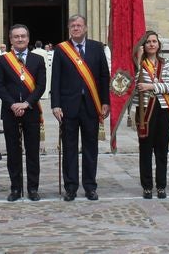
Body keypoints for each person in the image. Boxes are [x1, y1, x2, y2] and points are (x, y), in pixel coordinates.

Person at [51, 14, 110, 201]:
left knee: (90, 148)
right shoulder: (61, 50)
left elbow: (103, 77)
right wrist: (55, 105)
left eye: (79, 25)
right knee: (69, 148)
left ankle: (90, 186)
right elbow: (56, 79)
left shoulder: (96, 47)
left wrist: (105, 101)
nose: (76, 28)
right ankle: (70, 187)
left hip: (91, 105)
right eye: (73, 26)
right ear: (69, 28)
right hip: (68, 107)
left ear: (85, 28)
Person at [0, 23, 46, 201]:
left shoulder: (37, 60)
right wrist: (12, 105)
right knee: (13, 152)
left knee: (32, 152)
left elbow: (41, 86)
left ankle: (33, 188)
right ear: (10, 39)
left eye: (23, 36)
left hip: (31, 111)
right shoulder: (3, 60)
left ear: (28, 38)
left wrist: (26, 103)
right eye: (16, 37)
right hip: (10, 112)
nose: (20, 39)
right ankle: (15, 188)